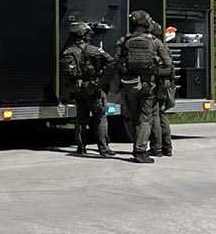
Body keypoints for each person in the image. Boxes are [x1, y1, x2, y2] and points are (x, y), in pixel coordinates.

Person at [58, 21, 113, 158]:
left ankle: (81, 147)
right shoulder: (93, 50)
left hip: (76, 89)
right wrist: (102, 80)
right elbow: (111, 62)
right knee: (100, 118)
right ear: (85, 35)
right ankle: (103, 148)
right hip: (93, 87)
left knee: (81, 119)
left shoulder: (67, 52)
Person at [118, 10, 164, 165]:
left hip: (128, 85)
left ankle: (136, 145)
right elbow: (168, 64)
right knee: (145, 119)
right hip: (147, 85)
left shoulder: (124, 40)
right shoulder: (155, 42)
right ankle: (140, 151)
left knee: (132, 117)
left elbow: (115, 62)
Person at [152, 25, 176, 158]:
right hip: (165, 85)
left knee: (156, 116)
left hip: (158, 85)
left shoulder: (157, 47)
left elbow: (167, 68)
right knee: (161, 116)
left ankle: (158, 148)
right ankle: (166, 147)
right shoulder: (163, 47)